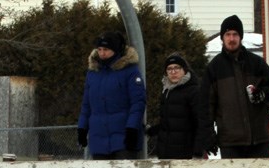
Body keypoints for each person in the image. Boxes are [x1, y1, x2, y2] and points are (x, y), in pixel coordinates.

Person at [202, 15, 269, 158]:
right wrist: (208, 134)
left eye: (235, 34)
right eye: (228, 34)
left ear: (240, 37)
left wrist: (263, 94)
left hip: (259, 140)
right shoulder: (213, 68)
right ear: (222, 38)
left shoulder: (257, 63)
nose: (231, 38)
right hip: (230, 143)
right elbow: (206, 106)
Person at [76, 31, 146, 160]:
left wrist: (132, 128)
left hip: (123, 139)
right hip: (98, 140)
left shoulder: (130, 71)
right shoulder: (93, 73)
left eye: (106, 50)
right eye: (100, 49)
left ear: (116, 50)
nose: (102, 53)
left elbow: (138, 102)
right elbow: (86, 104)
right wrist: (82, 128)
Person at [147, 53, 208, 159]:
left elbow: (201, 122)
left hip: (186, 153)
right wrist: (152, 131)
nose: (173, 72)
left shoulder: (193, 91)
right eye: (169, 69)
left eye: (177, 68)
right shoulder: (166, 91)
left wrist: (198, 150)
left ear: (184, 70)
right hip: (165, 152)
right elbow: (171, 121)